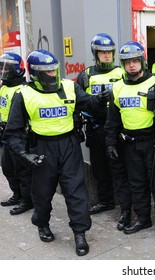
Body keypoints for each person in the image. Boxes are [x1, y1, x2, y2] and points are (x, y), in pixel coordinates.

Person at [2, 49, 109, 256]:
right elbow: (13, 133)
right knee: (42, 193)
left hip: (69, 145)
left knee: (76, 191)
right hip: (42, 148)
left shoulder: (69, 86)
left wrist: (100, 100)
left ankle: (80, 233)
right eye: (47, 72)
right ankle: (42, 224)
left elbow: (88, 103)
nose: (52, 75)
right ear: (35, 73)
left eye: (54, 70)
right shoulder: (24, 94)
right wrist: (25, 155)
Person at [105, 41, 155, 241]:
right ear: (123, 65)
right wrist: (110, 143)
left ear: (143, 62)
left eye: (135, 61)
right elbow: (112, 120)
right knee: (137, 184)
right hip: (130, 143)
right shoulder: (117, 88)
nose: (132, 66)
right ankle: (143, 218)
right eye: (128, 62)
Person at [76, 33, 133, 230]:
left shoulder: (122, 72)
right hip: (96, 128)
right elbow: (79, 98)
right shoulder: (86, 74)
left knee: (120, 169)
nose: (107, 56)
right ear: (96, 54)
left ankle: (126, 207)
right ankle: (106, 200)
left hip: (117, 129)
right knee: (100, 168)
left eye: (109, 52)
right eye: (103, 52)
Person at [0, 53, 34, 215]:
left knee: (23, 170)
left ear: (18, 69)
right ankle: (17, 194)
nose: (3, 70)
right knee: (7, 167)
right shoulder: (4, 87)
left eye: (7, 67)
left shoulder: (23, 90)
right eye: (2, 67)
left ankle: (27, 201)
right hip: (6, 134)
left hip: (19, 135)